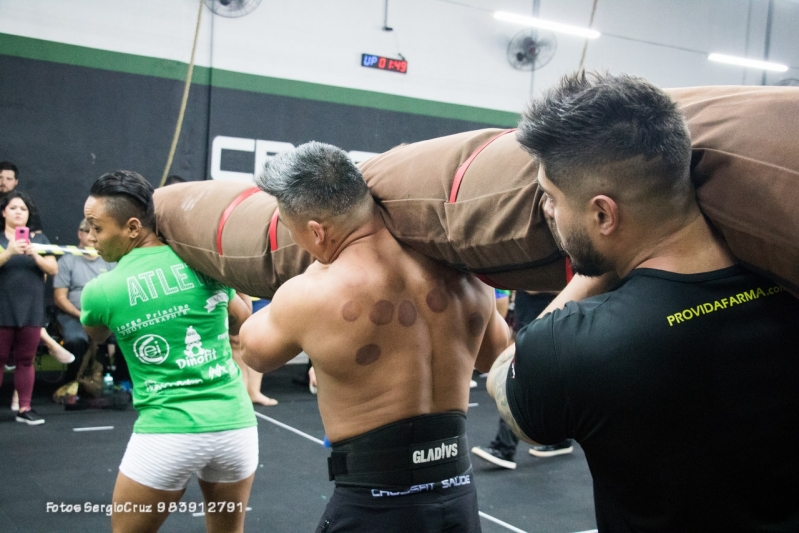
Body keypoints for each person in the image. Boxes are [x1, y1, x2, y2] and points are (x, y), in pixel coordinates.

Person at [488, 71, 799, 531]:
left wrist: (600, 266)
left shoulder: (572, 347)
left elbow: (505, 387)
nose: (547, 211)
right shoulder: (786, 293)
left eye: (551, 198)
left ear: (602, 213)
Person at [240, 142, 509, 533]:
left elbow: (253, 351)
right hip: (458, 500)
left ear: (317, 231)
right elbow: (494, 357)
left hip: (374, 506)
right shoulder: (464, 272)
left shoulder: (312, 292)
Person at [80, 170, 257, 533]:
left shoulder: (101, 290)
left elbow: (96, 332)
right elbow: (242, 319)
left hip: (167, 434)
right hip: (234, 428)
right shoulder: (202, 264)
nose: (92, 239)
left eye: (97, 228)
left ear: (132, 228)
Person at [471, 290, 571, 470]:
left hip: (542, 318)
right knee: (547, 380)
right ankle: (562, 441)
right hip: (528, 316)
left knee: (520, 378)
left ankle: (504, 448)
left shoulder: (558, 267)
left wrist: (529, 283)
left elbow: (564, 281)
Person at [0, 191, 58, 425]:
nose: (18, 212)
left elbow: (52, 269)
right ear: (4, 212)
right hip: (3, 307)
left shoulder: (40, 241)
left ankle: (25, 408)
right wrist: (10, 252)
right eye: (13, 208)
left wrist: (34, 253)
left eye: (23, 209)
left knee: (26, 359)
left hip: (31, 309)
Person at [53, 218, 116, 384]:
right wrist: (81, 314)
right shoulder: (67, 260)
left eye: (96, 231)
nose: (91, 235)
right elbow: (59, 298)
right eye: (87, 231)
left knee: (126, 334)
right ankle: (73, 382)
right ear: (79, 234)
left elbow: (117, 291)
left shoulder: (108, 259)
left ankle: (119, 382)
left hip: (105, 315)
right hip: (73, 315)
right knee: (76, 341)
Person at [229, 293, 277, 406]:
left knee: (259, 341)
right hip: (237, 290)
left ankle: (254, 391)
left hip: (259, 292)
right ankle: (242, 391)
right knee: (236, 340)